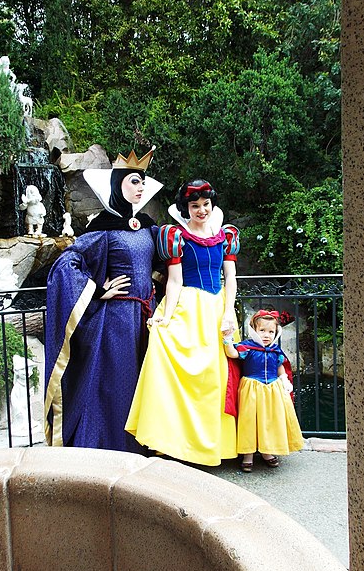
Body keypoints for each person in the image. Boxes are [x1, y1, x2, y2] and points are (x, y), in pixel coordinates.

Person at [44, 147, 163, 452]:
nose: (140, 188)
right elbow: (65, 264)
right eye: (134, 181)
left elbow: (166, 264)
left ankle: (149, 444)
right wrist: (98, 289)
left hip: (147, 318)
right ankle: (114, 447)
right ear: (118, 185)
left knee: (145, 381)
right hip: (118, 320)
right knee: (118, 384)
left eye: (142, 182)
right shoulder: (104, 229)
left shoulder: (149, 226)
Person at [125, 179, 239, 466]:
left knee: (215, 379)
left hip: (216, 309)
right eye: (195, 206)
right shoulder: (176, 236)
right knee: (178, 371)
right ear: (186, 209)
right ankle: (174, 444)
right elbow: (174, 282)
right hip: (188, 307)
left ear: (212, 205)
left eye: (205, 205)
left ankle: (212, 446)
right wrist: (164, 315)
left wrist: (228, 312)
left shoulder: (225, 236)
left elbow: (231, 279)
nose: (201, 210)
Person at [223, 309, 304, 472]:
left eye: (271, 332)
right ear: (254, 330)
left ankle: (267, 451)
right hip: (252, 388)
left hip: (272, 389)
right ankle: (248, 454)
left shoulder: (275, 350)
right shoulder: (248, 347)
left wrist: (284, 379)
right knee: (249, 420)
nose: (267, 335)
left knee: (270, 420)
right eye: (262, 331)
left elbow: (280, 366)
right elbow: (232, 354)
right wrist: (227, 339)